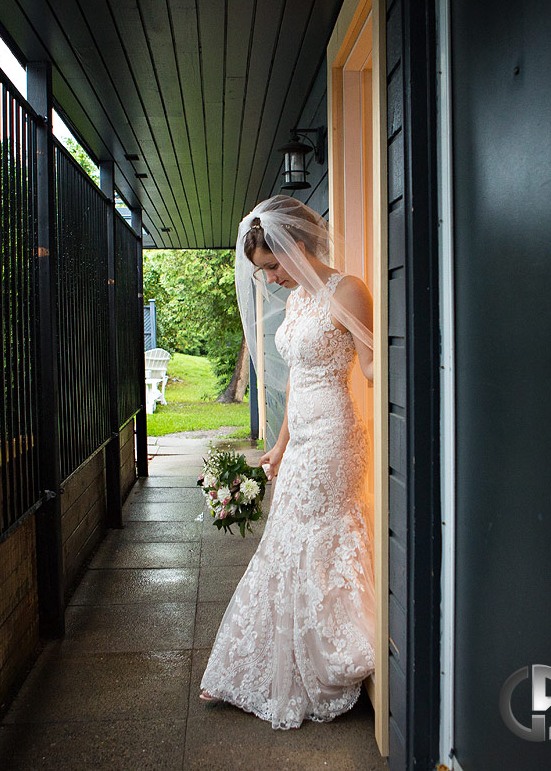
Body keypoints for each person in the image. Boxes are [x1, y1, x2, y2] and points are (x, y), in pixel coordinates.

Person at [196, 195, 378, 730]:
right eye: (262, 271)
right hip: (301, 441)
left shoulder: (347, 290)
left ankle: (325, 660)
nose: (270, 279)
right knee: (287, 541)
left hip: (334, 440)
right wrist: (278, 442)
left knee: (309, 541)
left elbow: (371, 362)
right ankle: (267, 666)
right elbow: (297, 377)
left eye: (272, 266)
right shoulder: (300, 299)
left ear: (295, 247)